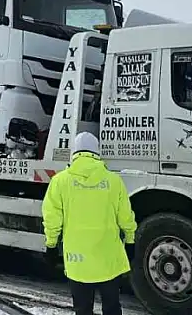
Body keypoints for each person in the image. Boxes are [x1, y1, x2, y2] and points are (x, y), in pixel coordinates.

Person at [41, 131, 137, 315]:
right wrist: (131, 240)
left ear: (74, 152)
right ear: (97, 152)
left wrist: (51, 245)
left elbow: (52, 218)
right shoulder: (113, 181)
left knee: (83, 309)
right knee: (112, 308)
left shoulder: (60, 181)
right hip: (109, 260)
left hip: (78, 261)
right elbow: (126, 216)